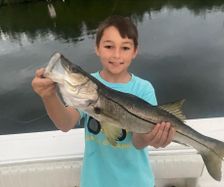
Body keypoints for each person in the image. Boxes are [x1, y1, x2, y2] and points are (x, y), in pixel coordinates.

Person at [32, 15, 175, 187]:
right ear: (97, 48)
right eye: (108, 46)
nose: (116, 55)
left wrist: (153, 138)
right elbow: (65, 123)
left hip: (136, 182)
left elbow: (138, 142)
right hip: (95, 182)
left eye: (125, 48)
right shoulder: (87, 89)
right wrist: (49, 96)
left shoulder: (144, 89)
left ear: (135, 51)